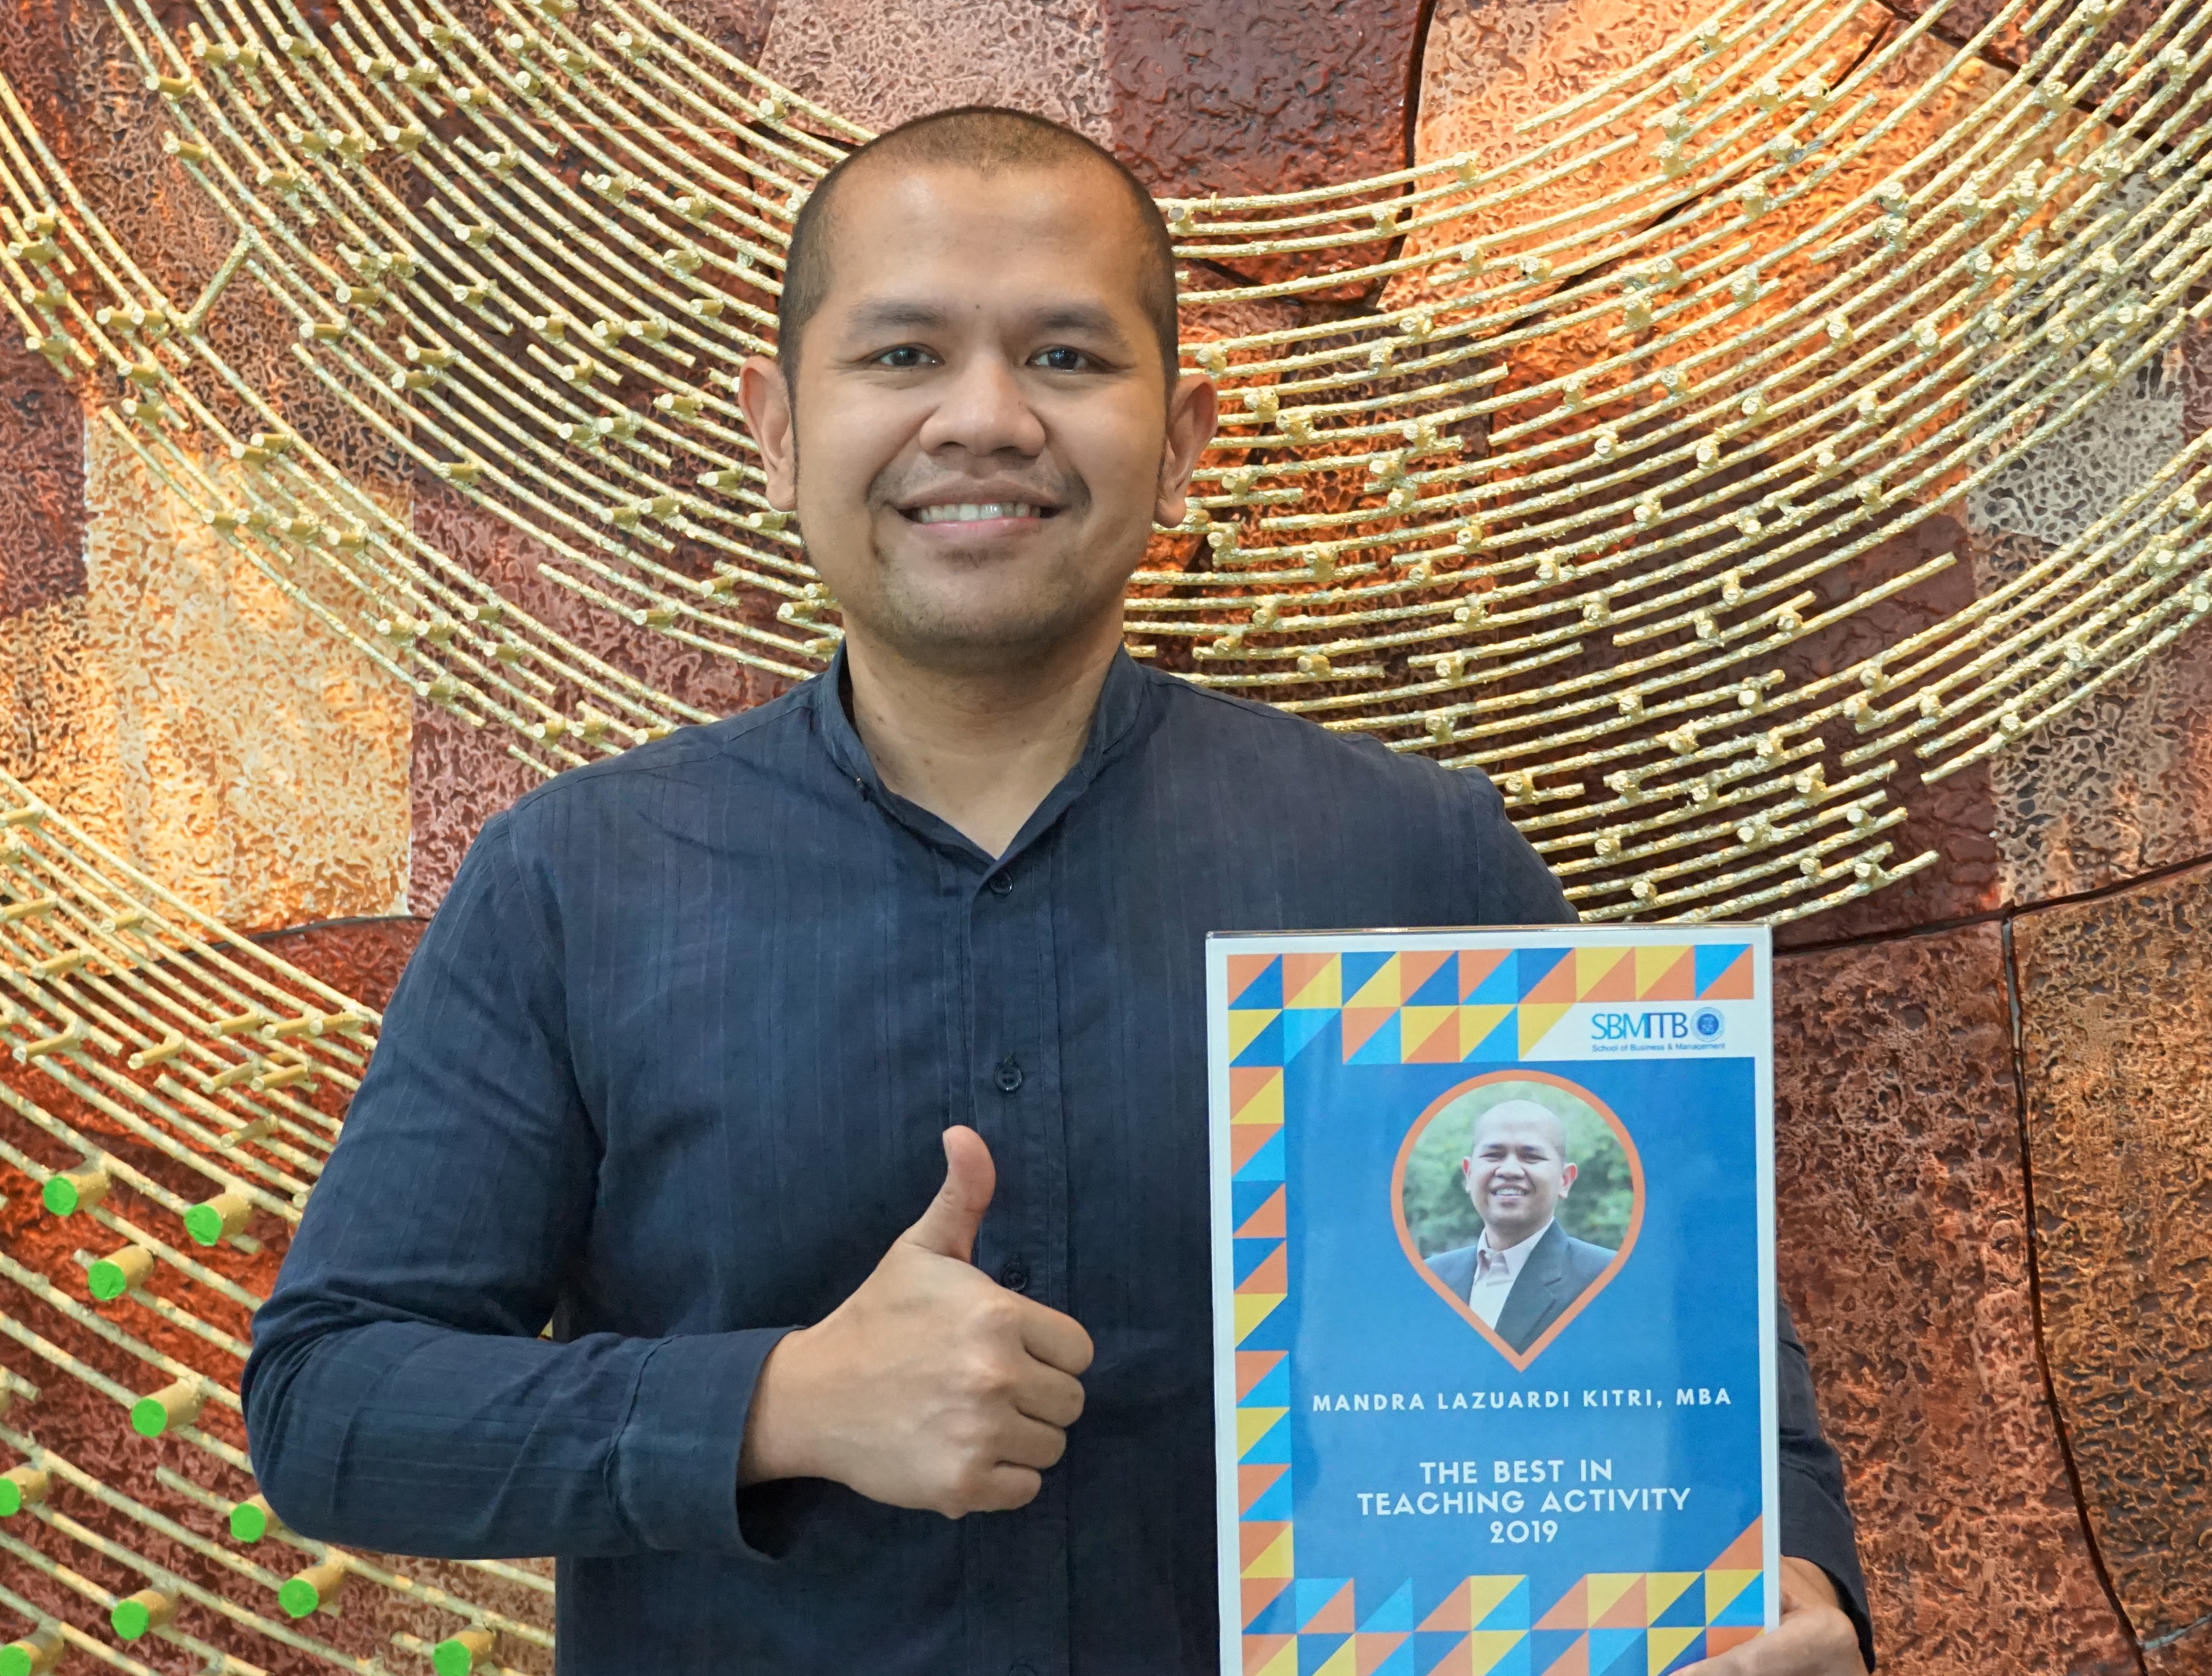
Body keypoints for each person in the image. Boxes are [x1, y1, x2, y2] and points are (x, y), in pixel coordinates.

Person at [242, 106, 1872, 1675]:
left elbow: (1691, 1356)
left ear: (1181, 444)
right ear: (777, 430)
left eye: (1068, 358)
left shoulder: (1415, 860)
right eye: (902, 354)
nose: (985, 418)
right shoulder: (577, 878)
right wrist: (778, 1401)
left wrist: (1787, 1584)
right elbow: (331, 1403)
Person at [1423, 1102, 1618, 1349]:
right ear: (1469, 1174)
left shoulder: (1608, 1279)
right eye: (1494, 1155)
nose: (1509, 1170)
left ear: (1565, 1180)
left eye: (1531, 1157)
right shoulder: (1429, 1280)